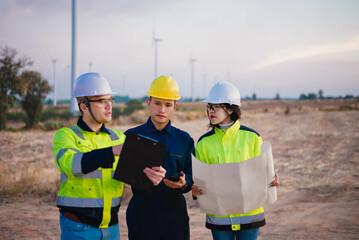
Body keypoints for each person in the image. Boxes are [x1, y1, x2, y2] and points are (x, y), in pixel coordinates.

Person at [53, 72, 165, 240]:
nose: (109, 106)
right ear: (84, 105)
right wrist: (112, 151)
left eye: (110, 100)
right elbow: (73, 166)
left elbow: (136, 175)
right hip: (78, 229)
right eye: (101, 101)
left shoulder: (118, 137)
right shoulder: (66, 136)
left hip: (112, 229)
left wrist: (154, 176)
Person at [192, 81, 279, 240]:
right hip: (219, 215)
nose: (210, 111)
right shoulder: (204, 143)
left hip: (250, 214)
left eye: (216, 106)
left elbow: (262, 172)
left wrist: (271, 180)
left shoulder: (252, 137)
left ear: (231, 109)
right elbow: (199, 181)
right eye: (209, 106)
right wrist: (195, 190)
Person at [125, 75, 194, 240]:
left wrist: (184, 183)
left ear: (175, 107)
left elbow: (192, 176)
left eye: (168, 105)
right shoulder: (132, 136)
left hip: (175, 216)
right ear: (149, 104)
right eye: (157, 103)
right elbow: (122, 173)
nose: (162, 110)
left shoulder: (185, 140)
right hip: (142, 215)